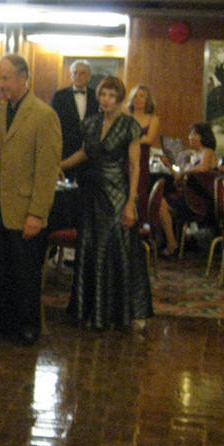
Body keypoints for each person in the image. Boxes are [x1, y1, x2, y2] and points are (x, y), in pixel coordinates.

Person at [0, 53, 62, 345]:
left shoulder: (43, 115)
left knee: (25, 273)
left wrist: (37, 214)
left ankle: (28, 326)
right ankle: (3, 322)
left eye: (5, 78)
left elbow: (47, 170)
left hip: (26, 209)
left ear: (23, 78)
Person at [60, 76, 152, 330]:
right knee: (92, 248)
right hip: (91, 193)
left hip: (118, 193)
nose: (107, 100)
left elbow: (134, 166)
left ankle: (129, 312)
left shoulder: (129, 125)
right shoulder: (89, 123)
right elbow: (83, 153)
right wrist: (57, 165)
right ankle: (93, 310)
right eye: (103, 95)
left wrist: (131, 203)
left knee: (120, 249)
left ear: (120, 99)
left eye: (112, 95)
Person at [158, 121, 219, 257]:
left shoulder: (207, 152)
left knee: (162, 204)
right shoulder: (193, 157)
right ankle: (167, 241)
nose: (190, 137)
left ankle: (172, 244)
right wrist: (169, 165)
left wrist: (185, 172)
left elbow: (203, 168)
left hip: (200, 201)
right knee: (159, 201)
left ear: (203, 136)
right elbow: (180, 180)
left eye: (194, 134)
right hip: (189, 197)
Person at [51, 59, 100, 183]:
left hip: (89, 154)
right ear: (71, 75)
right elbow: (53, 124)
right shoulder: (59, 96)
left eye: (82, 73)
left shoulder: (97, 96)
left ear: (89, 76)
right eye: (75, 73)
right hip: (65, 151)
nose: (78, 76)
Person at [126, 83, 161, 219]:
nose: (138, 99)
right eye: (135, 96)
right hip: (125, 160)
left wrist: (129, 137)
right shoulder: (126, 116)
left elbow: (149, 139)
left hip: (141, 163)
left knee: (139, 196)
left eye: (142, 96)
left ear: (148, 100)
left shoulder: (153, 118)